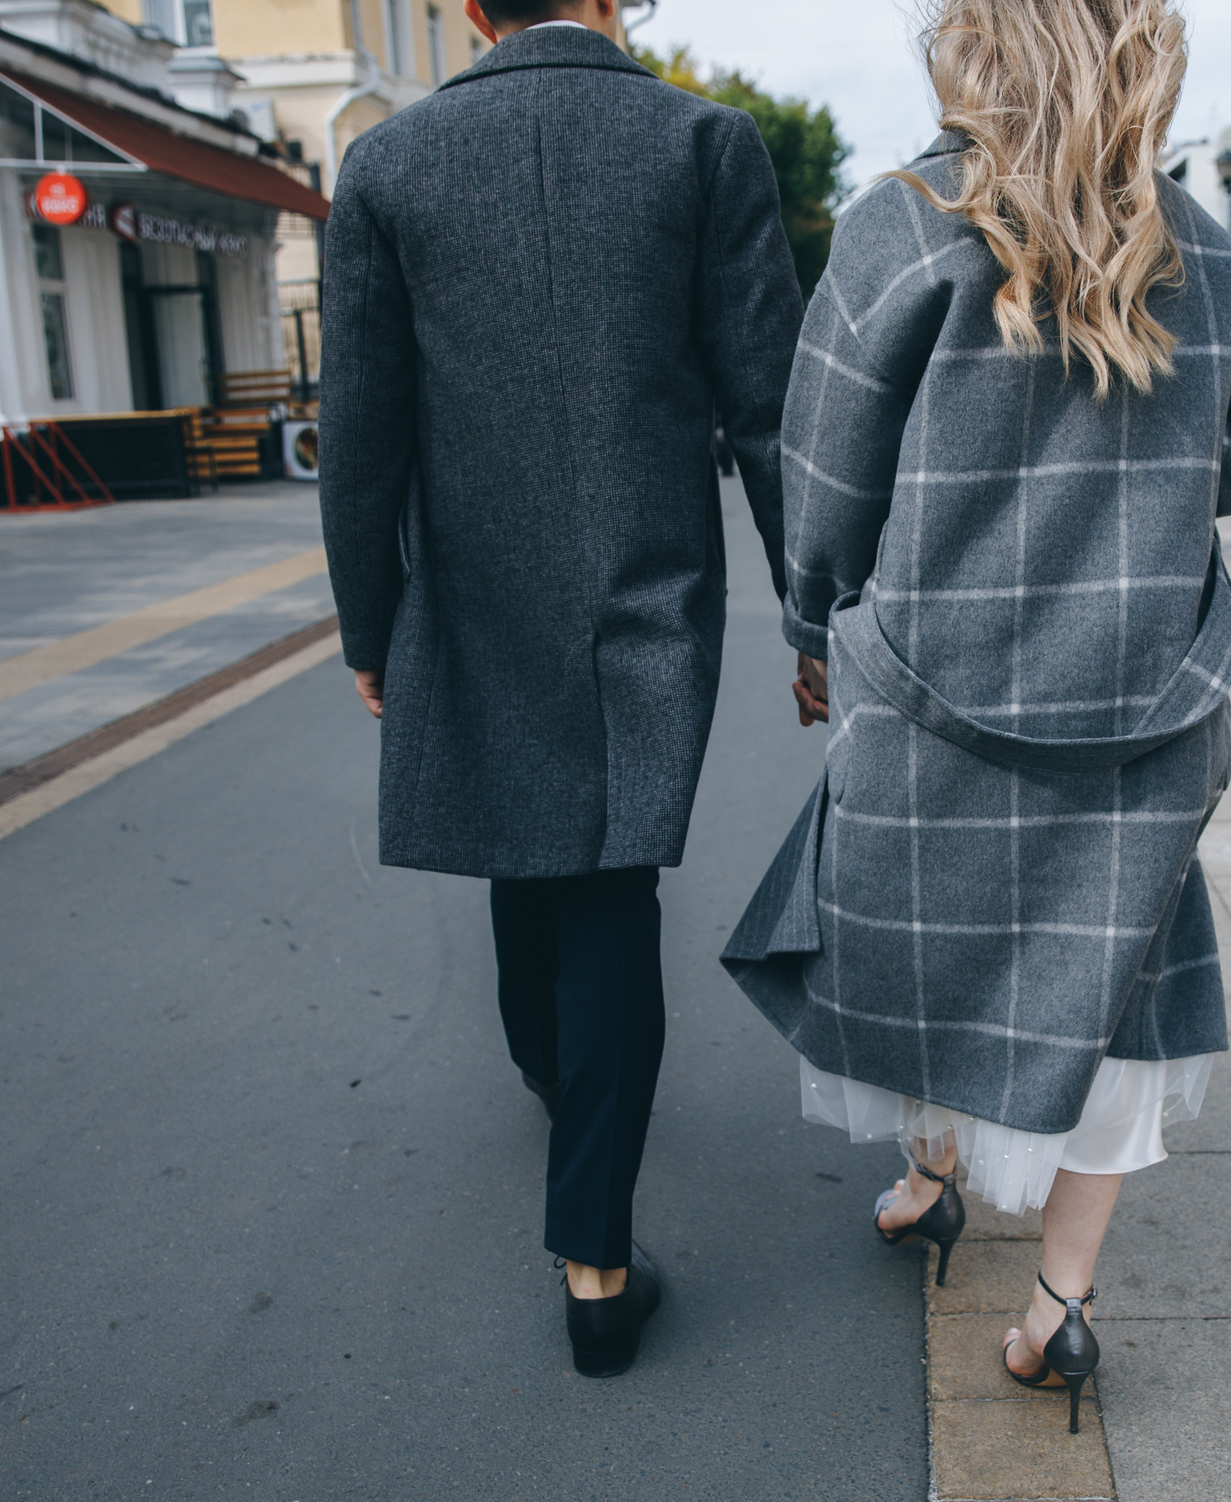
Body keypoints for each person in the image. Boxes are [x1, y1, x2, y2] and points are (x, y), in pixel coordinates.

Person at [724, 0, 1231, 1431]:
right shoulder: (1207, 245)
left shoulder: (903, 223)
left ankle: (927, 1184)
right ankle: (1064, 1307)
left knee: (930, 943)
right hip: (1141, 695)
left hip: (940, 687)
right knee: (1116, 999)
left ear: (973, 40)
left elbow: (827, 476)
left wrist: (811, 630)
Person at [318, 0, 803, 1377]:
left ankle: (577, 1172)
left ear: (471, 8)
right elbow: (767, 407)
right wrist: (815, 604)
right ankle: (593, 1247)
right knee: (604, 869)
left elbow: (359, 435)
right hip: (645, 586)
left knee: (543, 849)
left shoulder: (390, 165)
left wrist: (373, 621)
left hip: (472, 586)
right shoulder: (705, 145)